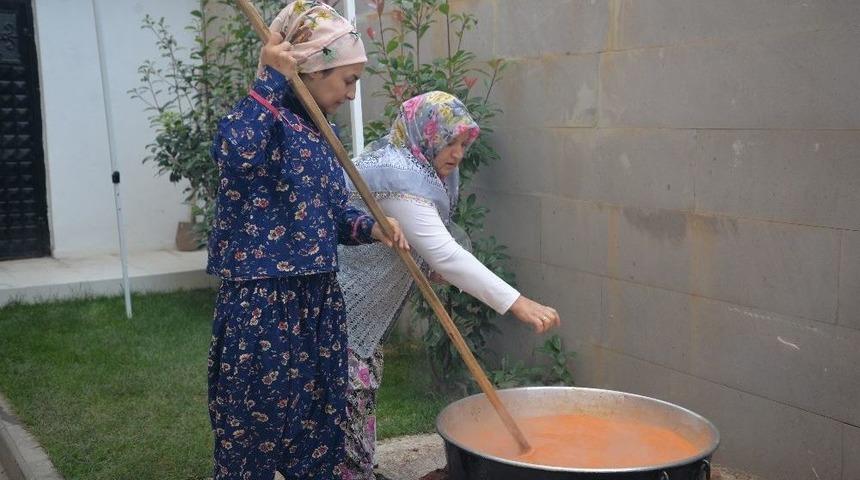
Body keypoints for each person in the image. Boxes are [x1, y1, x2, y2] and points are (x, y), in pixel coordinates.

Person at [205, 2, 408, 479]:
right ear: (312, 69)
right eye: (348, 80)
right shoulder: (265, 117)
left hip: (317, 298)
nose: (353, 94)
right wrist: (269, 80)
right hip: (263, 302)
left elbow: (330, 212)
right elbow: (233, 153)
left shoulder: (319, 132)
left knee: (318, 431)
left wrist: (371, 227)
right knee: (252, 432)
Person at [336, 91, 561, 479]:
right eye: (449, 142)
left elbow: (429, 245)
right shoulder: (399, 176)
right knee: (346, 398)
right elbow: (445, 255)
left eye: (463, 144)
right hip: (341, 309)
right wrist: (518, 303)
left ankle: (358, 469)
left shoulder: (412, 165)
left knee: (356, 397)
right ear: (426, 134)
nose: (457, 154)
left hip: (359, 313)